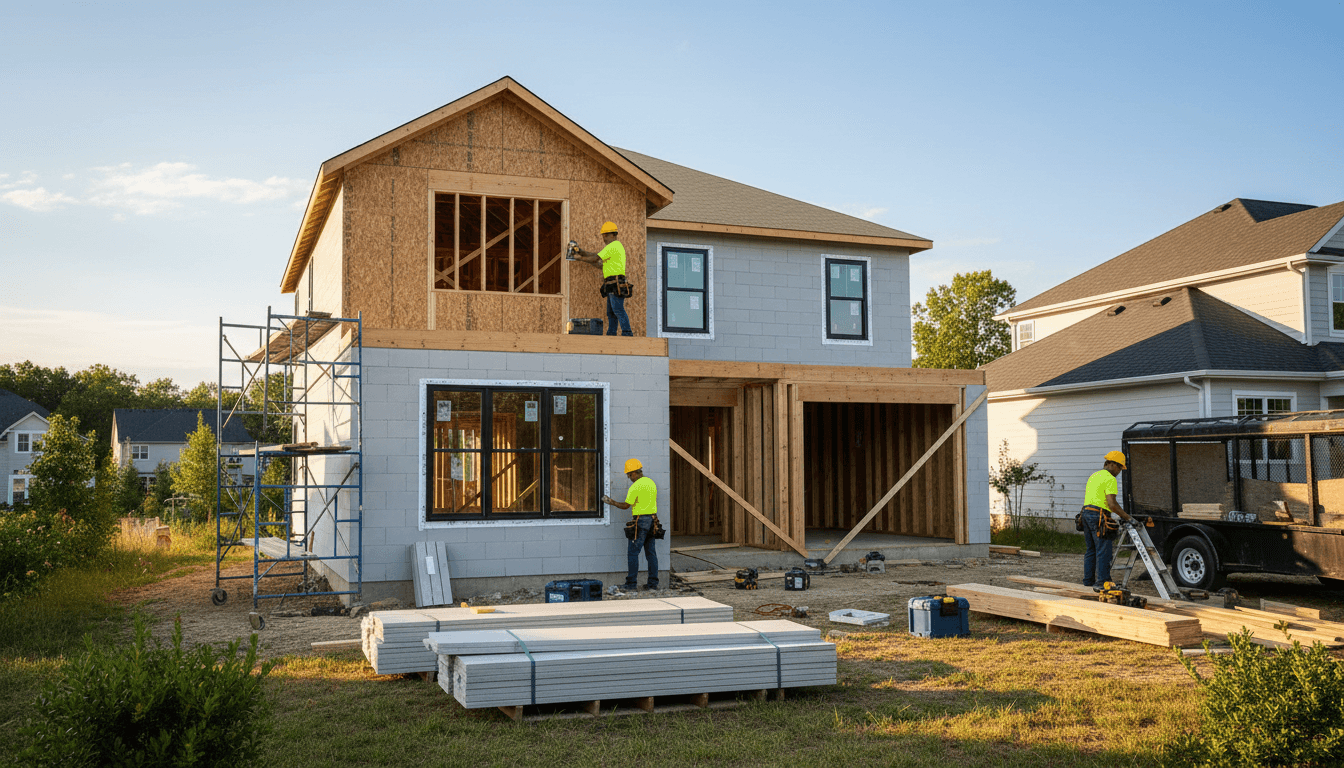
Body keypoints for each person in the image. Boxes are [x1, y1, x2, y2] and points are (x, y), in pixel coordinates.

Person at [601, 458, 659, 591]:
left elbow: (626, 506)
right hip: (653, 521)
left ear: (634, 473)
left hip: (641, 521)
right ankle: (652, 584)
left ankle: (631, 584)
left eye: (629, 475)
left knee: (633, 553)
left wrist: (612, 502)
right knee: (651, 553)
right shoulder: (651, 483)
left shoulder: (636, 486)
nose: (629, 478)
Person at [1082, 450, 1135, 587]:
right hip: (1099, 515)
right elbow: (1112, 504)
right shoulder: (1110, 479)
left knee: (1091, 549)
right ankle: (1102, 581)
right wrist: (1128, 517)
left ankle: (1088, 581)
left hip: (1086, 513)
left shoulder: (1094, 476)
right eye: (1119, 467)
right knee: (1103, 550)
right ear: (1110, 464)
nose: (1119, 471)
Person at [572, 221, 633, 337]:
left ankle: (627, 333)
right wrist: (581, 252)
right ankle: (611, 333)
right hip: (612, 283)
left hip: (616, 282)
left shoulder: (614, 246)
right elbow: (599, 262)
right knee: (611, 312)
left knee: (618, 310)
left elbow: (595, 258)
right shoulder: (612, 249)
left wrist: (580, 258)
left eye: (606, 235)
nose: (604, 238)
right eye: (603, 235)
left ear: (613, 235)